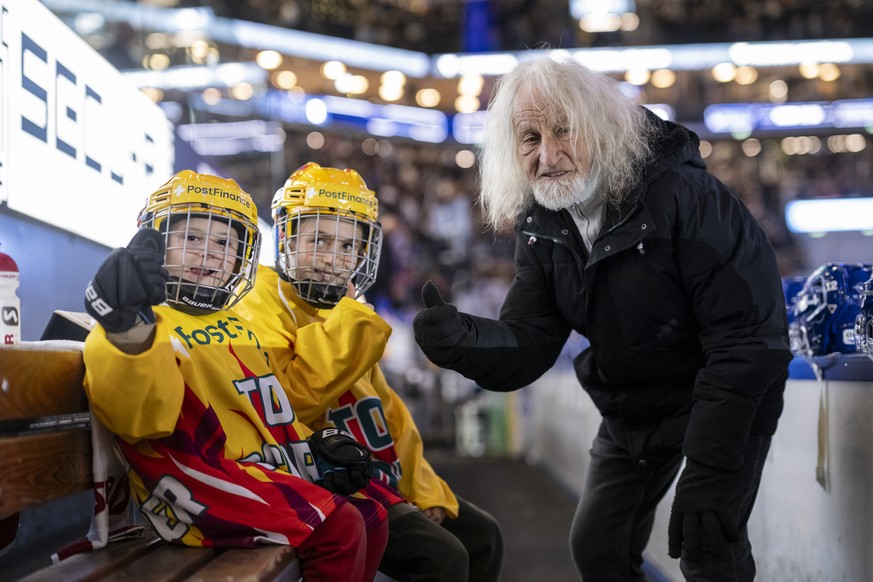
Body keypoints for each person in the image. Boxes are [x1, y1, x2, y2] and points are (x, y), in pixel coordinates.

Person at [412, 57, 792, 582]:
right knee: (598, 550)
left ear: (602, 127)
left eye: (563, 129)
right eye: (529, 137)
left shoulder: (688, 196)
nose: (547, 154)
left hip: (725, 393)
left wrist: (710, 470)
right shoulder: (542, 225)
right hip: (635, 404)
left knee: (711, 547)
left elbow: (748, 341)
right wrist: (462, 342)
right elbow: (530, 338)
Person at [82, 170, 391, 582]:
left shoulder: (235, 324)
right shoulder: (145, 322)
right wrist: (128, 329)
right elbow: (142, 419)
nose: (209, 253)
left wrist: (310, 450)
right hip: (194, 480)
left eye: (225, 242)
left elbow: (262, 415)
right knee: (339, 527)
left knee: (372, 515)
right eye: (191, 238)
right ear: (157, 243)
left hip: (246, 467)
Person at [235, 162, 504, 582]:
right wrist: (351, 321)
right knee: (442, 558)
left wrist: (422, 486)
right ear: (286, 236)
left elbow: (387, 416)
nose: (333, 258)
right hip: (315, 479)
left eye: (348, 246)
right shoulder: (259, 302)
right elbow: (291, 401)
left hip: (370, 475)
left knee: (483, 536)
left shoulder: (343, 310)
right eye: (320, 239)